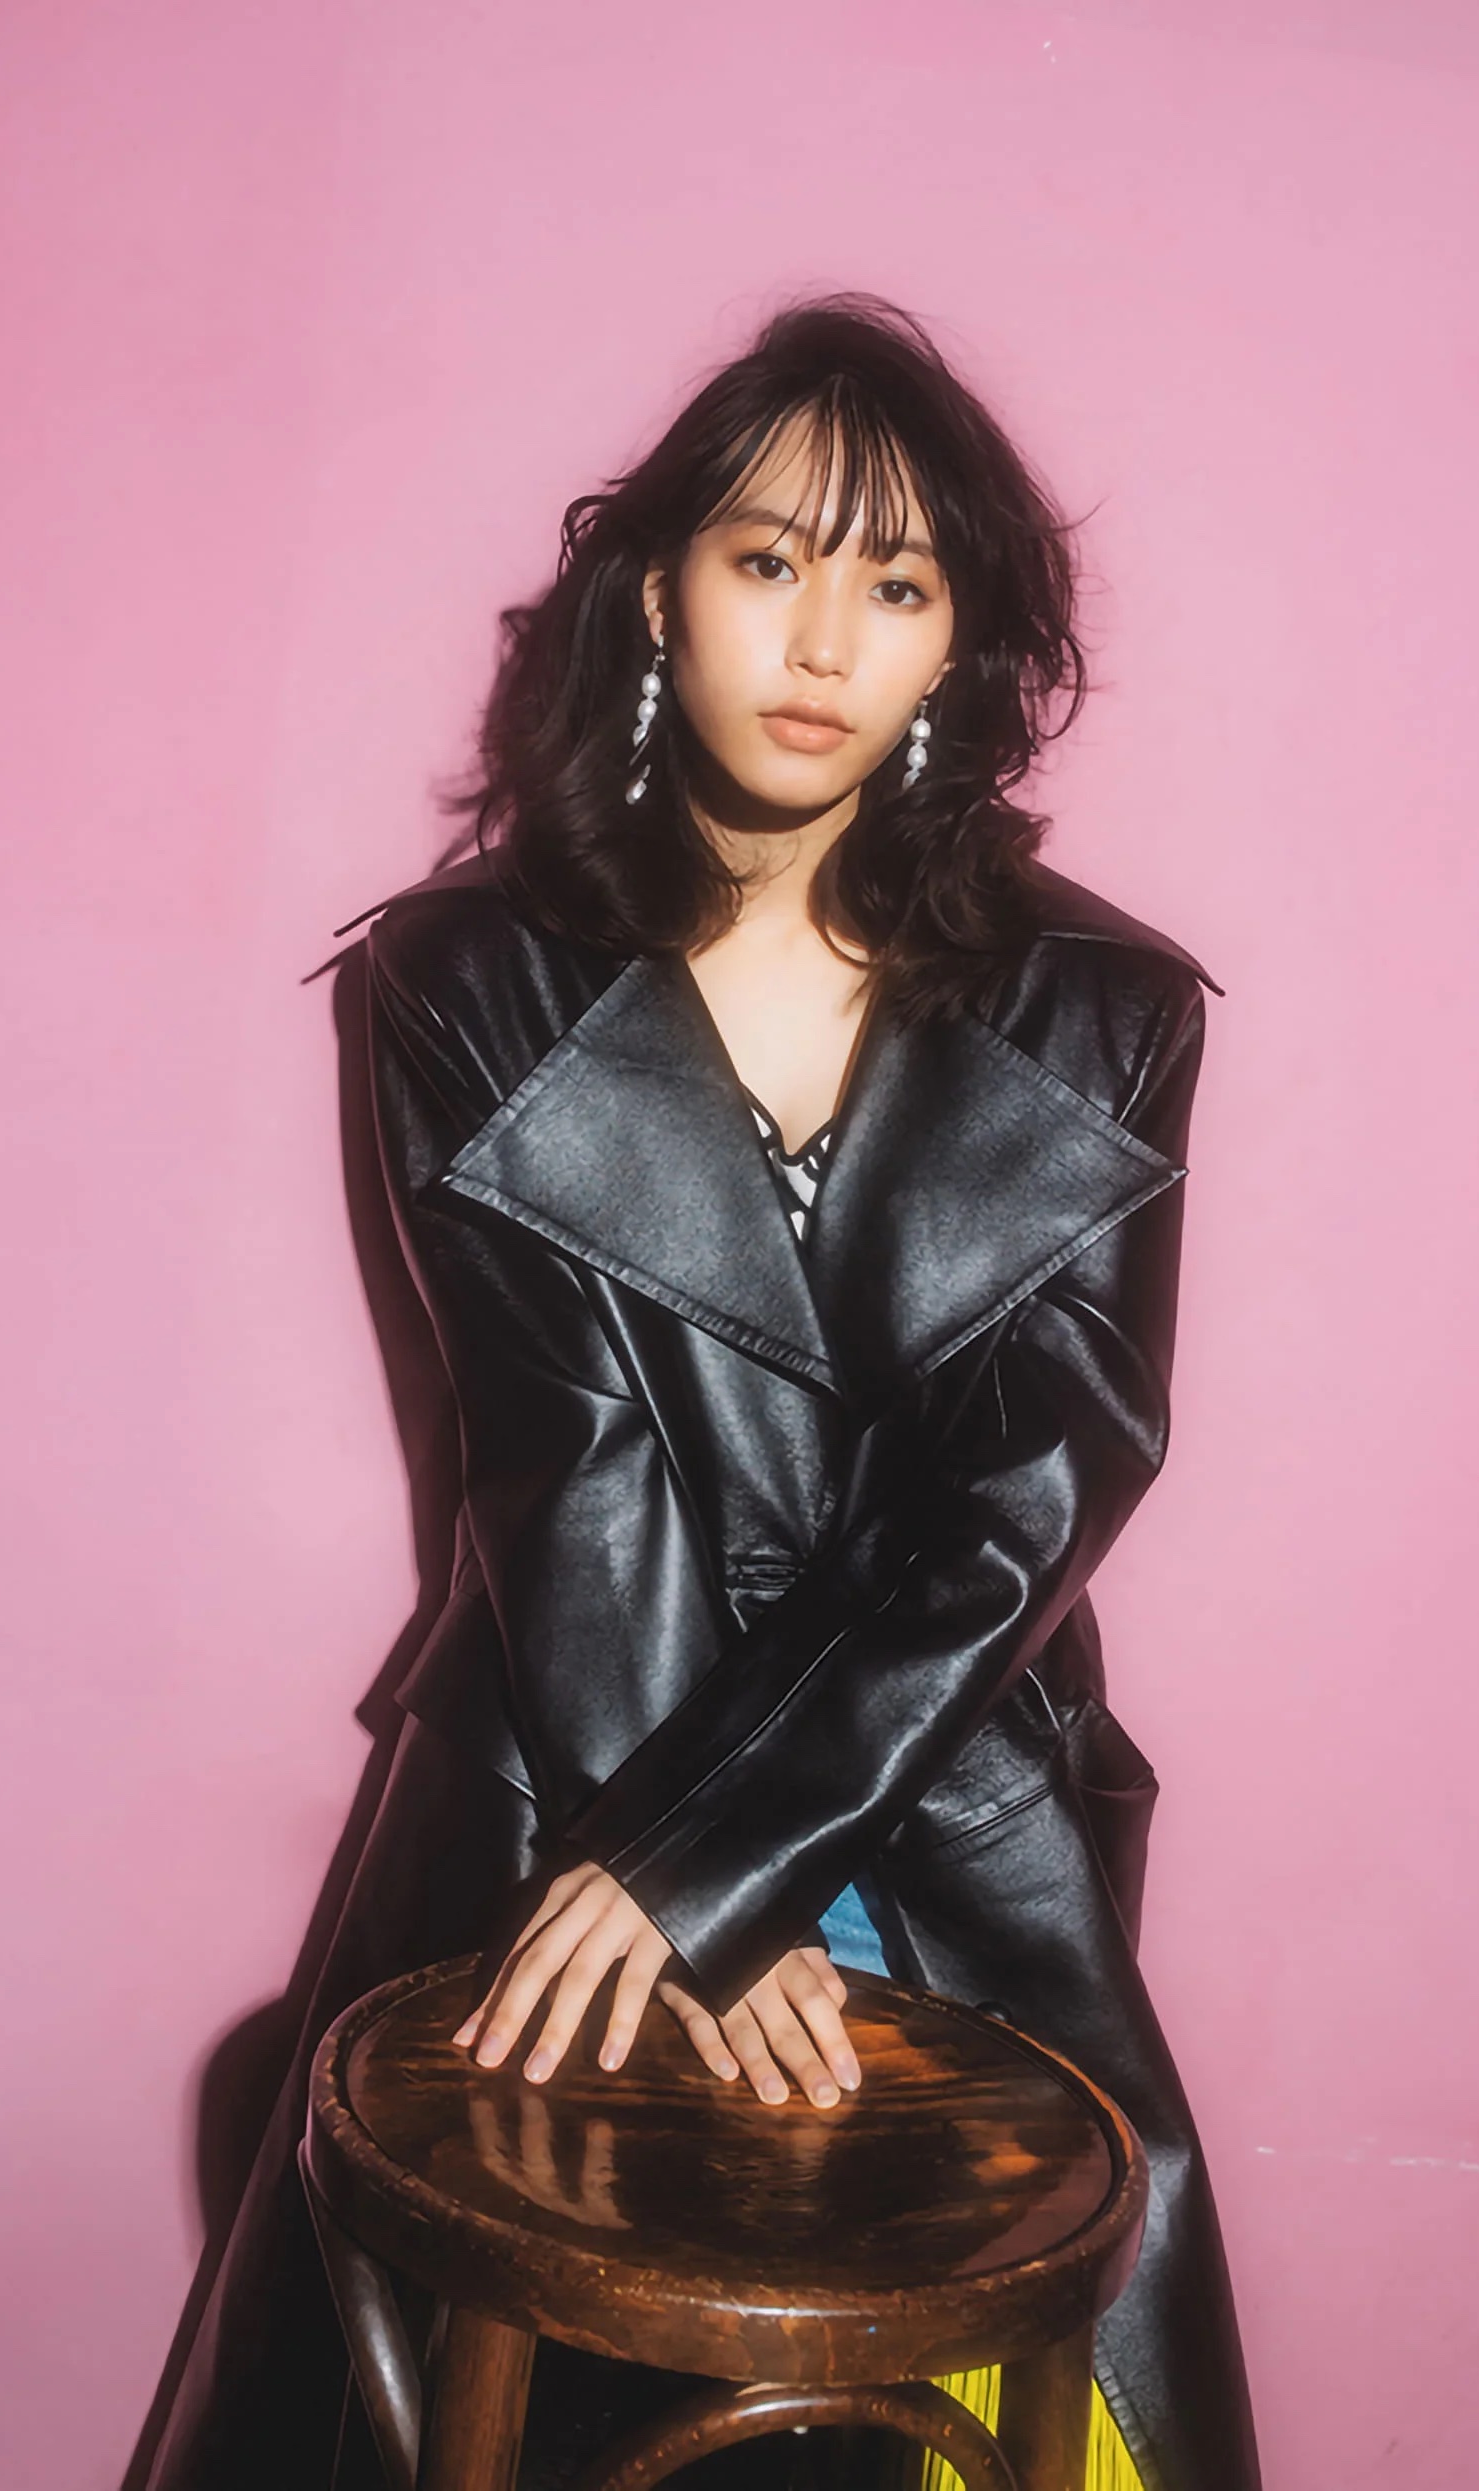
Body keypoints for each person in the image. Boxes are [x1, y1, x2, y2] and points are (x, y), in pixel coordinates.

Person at [141, 294, 1261, 2491]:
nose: (824, 639)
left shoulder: (1103, 1007)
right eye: (768, 560)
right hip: (574, 1786)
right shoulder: (467, 978)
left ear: (958, 644)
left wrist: (729, 1871)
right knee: (541, 2411)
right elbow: (571, 1463)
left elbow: (1036, 1485)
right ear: (659, 588)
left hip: (946, 1801)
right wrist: (666, 1881)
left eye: (897, 583)